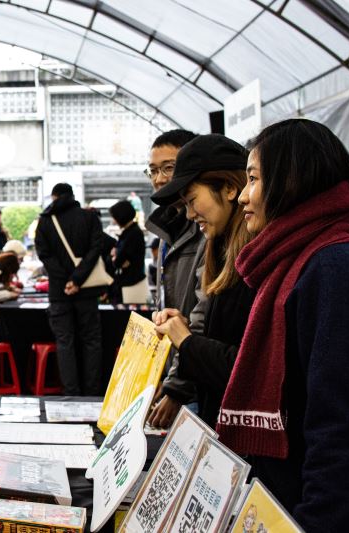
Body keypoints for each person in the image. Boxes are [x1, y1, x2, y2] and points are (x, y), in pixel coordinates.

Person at [221, 119, 349, 530]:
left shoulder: (333, 265)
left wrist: (317, 520)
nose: (243, 196)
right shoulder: (293, 258)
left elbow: (338, 422)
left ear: (291, 180)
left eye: (254, 179)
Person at [150, 134, 253, 427]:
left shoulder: (253, 260)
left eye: (193, 200)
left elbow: (249, 367)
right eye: (153, 170)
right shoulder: (218, 246)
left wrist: (186, 341)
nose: (190, 213)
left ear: (230, 188)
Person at [145, 129, 202, 429]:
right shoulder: (167, 229)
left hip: (194, 382)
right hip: (176, 374)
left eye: (168, 167)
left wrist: (177, 387)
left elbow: (200, 318)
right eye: (153, 170)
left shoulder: (206, 231)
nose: (160, 179)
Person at [35, 183, 104, 395]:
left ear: (54, 197)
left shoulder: (45, 221)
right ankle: (92, 392)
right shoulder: (90, 217)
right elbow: (96, 249)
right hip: (88, 290)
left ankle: (71, 393)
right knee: (91, 341)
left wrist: (66, 280)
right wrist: (77, 279)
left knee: (65, 342)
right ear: (73, 196)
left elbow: (44, 255)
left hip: (59, 291)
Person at [108, 200, 147, 304]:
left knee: (128, 314)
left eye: (115, 217)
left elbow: (118, 261)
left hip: (131, 285)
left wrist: (115, 257)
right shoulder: (130, 232)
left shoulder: (132, 234)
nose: (114, 221)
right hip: (128, 283)